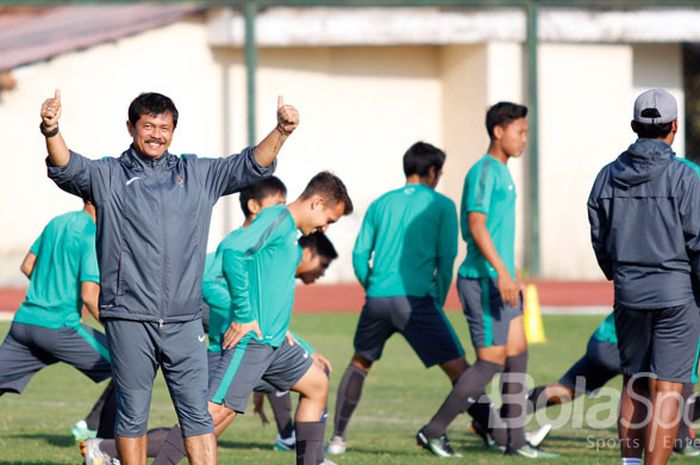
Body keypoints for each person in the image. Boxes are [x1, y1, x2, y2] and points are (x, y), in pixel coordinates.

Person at [40, 89, 299, 465]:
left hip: (184, 320)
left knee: (196, 415)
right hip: (129, 317)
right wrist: (50, 129)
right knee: (132, 415)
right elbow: (67, 166)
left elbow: (248, 166)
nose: (157, 134)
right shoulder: (108, 174)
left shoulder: (197, 174)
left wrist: (282, 131)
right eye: (148, 126)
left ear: (174, 131)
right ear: (131, 127)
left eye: (165, 127)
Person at [82, 231, 340, 465]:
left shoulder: (272, 260)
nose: (322, 273)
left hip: (253, 346)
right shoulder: (244, 250)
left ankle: (310, 458)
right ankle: (109, 448)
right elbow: (222, 293)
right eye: (323, 265)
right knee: (205, 423)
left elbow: (269, 323)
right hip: (227, 344)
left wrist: (300, 348)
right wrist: (243, 315)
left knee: (316, 380)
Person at [327, 141, 490, 456]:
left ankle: (337, 439)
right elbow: (446, 259)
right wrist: (437, 301)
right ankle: (500, 432)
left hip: (377, 298)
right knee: (460, 369)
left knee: (360, 363)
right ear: (432, 171)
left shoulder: (380, 203)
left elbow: (361, 254)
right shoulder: (441, 205)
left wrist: (373, 285)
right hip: (416, 301)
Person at [416, 102, 556, 459]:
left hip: (501, 279)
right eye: (520, 132)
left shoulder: (503, 172)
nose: (525, 139)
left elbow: (494, 229)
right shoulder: (483, 172)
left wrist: (511, 269)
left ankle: (515, 441)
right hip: (483, 281)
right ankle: (432, 431)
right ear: (498, 131)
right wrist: (503, 272)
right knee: (491, 363)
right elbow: (476, 226)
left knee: (518, 356)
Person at [588, 88, 700, 465]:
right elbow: (698, 241)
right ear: (674, 127)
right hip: (677, 295)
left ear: (634, 126)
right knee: (668, 390)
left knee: (634, 384)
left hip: (629, 295)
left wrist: (618, 274)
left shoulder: (606, 176)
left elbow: (599, 237)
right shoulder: (685, 177)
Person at [0, 202, 114, 439]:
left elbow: (27, 266)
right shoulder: (91, 233)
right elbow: (89, 297)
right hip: (58, 329)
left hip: (24, 324)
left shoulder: (56, 222)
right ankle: (100, 440)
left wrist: (50, 289)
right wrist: (117, 330)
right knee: (132, 366)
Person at [522, 311, 699, 457]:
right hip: (628, 344)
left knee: (565, 390)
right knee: (672, 387)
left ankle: (504, 417)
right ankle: (681, 439)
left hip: (607, 338)